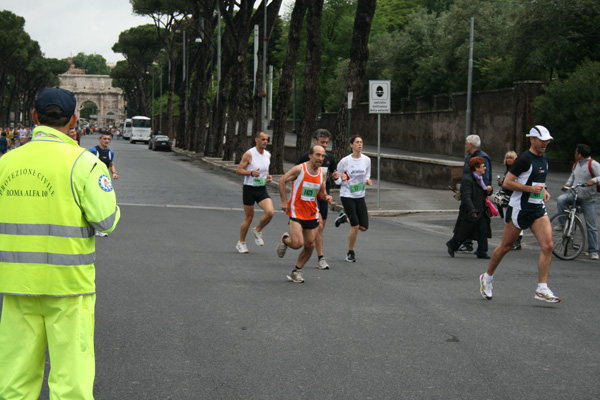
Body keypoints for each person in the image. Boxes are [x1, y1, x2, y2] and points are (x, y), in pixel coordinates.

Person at [0, 87, 120, 399]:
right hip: (69, 287)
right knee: (71, 383)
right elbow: (106, 221)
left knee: (14, 380)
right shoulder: (86, 164)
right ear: (74, 120)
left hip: (16, 285)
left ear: (34, 116)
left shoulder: (6, 163)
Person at [479, 125, 561, 303]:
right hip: (520, 209)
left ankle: (542, 288)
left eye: (547, 141)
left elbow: (539, 180)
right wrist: (530, 189)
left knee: (548, 245)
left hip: (537, 208)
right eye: (542, 140)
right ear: (532, 139)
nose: (545, 144)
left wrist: (543, 190)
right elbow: (508, 183)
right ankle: (487, 277)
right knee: (506, 246)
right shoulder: (523, 159)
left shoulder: (544, 158)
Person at [277, 145, 333, 283]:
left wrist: (326, 197)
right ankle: (285, 240)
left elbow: (321, 192)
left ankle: (296, 271)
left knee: (310, 245)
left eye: (323, 156)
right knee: (297, 243)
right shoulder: (300, 169)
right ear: (310, 155)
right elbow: (282, 180)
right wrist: (284, 201)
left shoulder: (322, 174)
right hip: (296, 211)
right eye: (317, 155)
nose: (320, 158)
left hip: (312, 213)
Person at [295, 129, 339, 269]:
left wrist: (337, 176)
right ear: (315, 141)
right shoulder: (305, 158)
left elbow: (334, 173)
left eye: (326, 142)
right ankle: (320, 257)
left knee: (319, 229)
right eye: (322, 142)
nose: (325, 145)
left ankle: (315, 254)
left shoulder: (330, 158)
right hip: (308, 199)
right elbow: (295, 176)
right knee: (317, 226)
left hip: (322, 196)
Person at [556, 143, 600, 260]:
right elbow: (572, 176)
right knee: (561, 200)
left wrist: (594, 180)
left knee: (591, 226)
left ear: (579, 154)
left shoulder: (593, 164)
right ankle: (563, 224)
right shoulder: (576, 164)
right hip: (574, 195)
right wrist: (567, 184)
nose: (575, 154)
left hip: (588, 199)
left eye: (576, 152)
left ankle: (593, 251)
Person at [333, 135, 372, 263]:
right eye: (357, 142)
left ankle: (345, 218)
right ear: (351, 145)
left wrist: (367, 180)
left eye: (361, 142)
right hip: (347, 195)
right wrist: (340, 179)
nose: (359, 145)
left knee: (364, 227)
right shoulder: (345, 161)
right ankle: (350, 252)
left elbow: (367, 174)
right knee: (355, 226)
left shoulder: (366, 160)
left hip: (360, 195)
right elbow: (336, 178)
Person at [235, 131, 274, 253]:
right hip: (249, 189)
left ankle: (257, 230)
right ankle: (241, 242)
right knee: (249, 217)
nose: (265, 142)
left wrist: (267, 177)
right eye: (262, 139)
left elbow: (265, 170)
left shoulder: (268, 155)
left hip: (261, 188)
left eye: (266, 139)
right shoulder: (249, 154)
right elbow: (239, 170)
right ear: (256, 140)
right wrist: (251, 173)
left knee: (270, 212)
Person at [446, 157, 492, 259]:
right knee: (464, 231)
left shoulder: (482, 178)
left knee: (483, 230)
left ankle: (482, 252)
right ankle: (452, 244)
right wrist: (472, 210)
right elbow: (466, 196)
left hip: (481, 209)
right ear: (476, 168)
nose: (485, 167)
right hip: (470, 210)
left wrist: (489, 190)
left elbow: (484, 192)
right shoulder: (468, 179)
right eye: (482, 166)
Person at [458, 134, 492, 254]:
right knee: (471, 219)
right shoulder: (471, 157)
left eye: (466, 144)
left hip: (476, 195)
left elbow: (484, 178)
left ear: (471, 144)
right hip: (470, 192)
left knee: (473, 219)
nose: (465, 146)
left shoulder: (482, 158)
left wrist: (484, 190)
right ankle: (471, 245)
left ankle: (460, 243)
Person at [497, 151, 524, 250]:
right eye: (507, 158)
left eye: (511, 158)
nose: (509, 160)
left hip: (513, 197)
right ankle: (510, 240)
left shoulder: (516, 170)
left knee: (515, 219)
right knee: (507, 219)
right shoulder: (507, 170)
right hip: (506, 197)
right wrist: (501, 183)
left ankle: (517, 241)